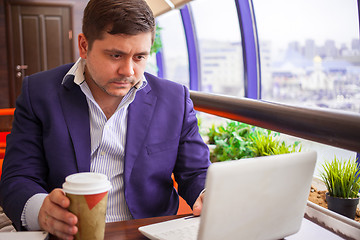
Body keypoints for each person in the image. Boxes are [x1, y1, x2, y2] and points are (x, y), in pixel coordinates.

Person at [0, 0, 211, 239]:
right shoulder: (39, 93)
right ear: (83, 45)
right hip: (69, 235)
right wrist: (43, 211)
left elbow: (195, 172)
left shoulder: (174, 99)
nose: (128, 71)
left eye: (140, 57)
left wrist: (206, 194)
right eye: (116, 55)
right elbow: (18, 177)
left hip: (147, 233)